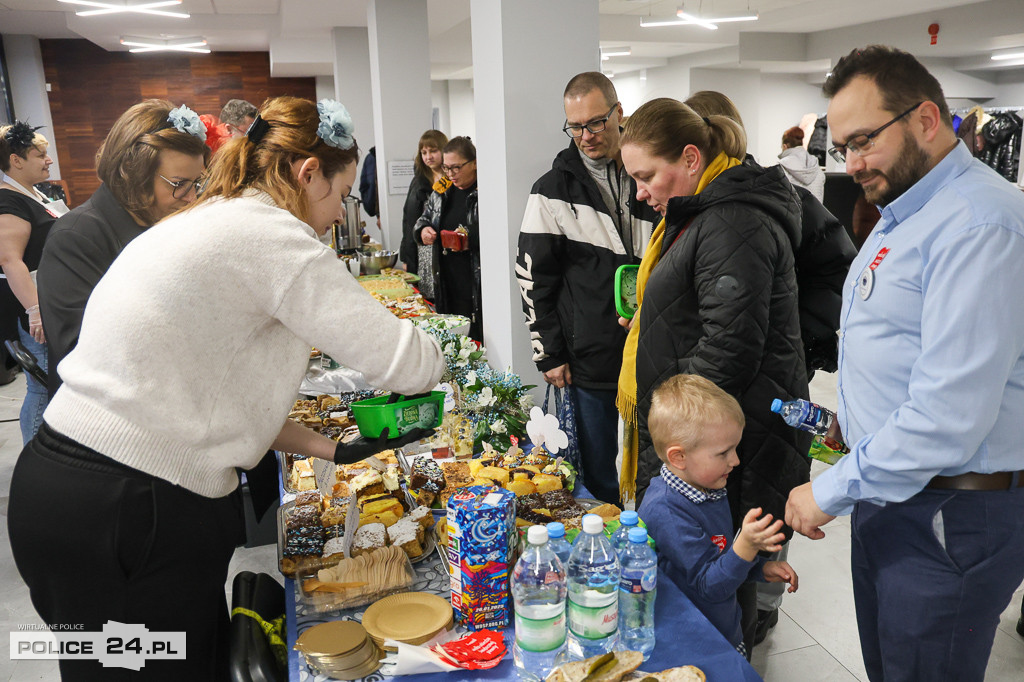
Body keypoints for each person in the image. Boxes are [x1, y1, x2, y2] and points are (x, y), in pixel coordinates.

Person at [8, 96, 445, 681]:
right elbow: (408, 362)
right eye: (342, 194)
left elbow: (210, 397)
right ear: (307, 172)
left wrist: (329, 447)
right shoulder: (271, 234)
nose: (339, 212)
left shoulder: (212, 214)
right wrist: (440, 339)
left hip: (62, 493)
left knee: (110, 668)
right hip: (129, 508)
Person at [784, 45, 1024, 682]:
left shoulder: (979, 225)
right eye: (843, 148)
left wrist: (829, 492)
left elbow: (948, 416)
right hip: (897, 495)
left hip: (950, 513)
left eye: (865, 140)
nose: (854, 164)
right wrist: (854, 428)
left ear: (925, 120)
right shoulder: (908, 211)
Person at [618, 97, 811, 650]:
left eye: (647, 176)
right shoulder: (707, 213)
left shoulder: (729, 219)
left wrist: (673, 431)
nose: (640, 192)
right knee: (718, 563)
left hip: (721, 433)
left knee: (722, 581)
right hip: (712, 430)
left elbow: (729, 345)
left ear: (691, 157)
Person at [684, 90, 856, 644]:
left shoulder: (753, 202)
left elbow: (831, 269)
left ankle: (759, 612)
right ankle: (753, 602)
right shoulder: (724, 201)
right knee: (758, 493)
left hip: (772, 380)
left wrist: (796, 334)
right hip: (765, 376)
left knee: (765, 495)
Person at [516, 72, 658, 506]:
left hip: (654, 350)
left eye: (595, 123)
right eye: (574, 126)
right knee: (600, 475)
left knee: (655, 467)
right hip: (590, 360)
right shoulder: (550, 191)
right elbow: (533, 279)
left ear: (619, 113)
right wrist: (549, 354)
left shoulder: (649, 174)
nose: (585, 136)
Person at [37, 100, 210, 399]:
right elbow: (81, 351)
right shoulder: (75, 237)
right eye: (180, 184)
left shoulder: (160, 222)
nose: (192, 198)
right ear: (133, 174)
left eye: (198, 183)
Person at [638, 374, 798, 660]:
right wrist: (746, 547)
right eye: (724, 453)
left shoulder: (708, 488)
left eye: (735, 449)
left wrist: (759, 568)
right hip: (693, 644)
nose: (735, 461)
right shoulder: (667, 512)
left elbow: (719, 557)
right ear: (679, 458)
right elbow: (709, 586)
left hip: (721, 628)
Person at [0, 122, 65, 443]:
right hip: (34, 308)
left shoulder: (35, 193)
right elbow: (10, 260)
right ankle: (34, 460)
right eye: (40, 155)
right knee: (41, 385)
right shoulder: (8, 201)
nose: (48, 160)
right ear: (16, 160)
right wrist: (35, 310)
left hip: (53, 299)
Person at [415, 136, 482, 340]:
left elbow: (495, 232)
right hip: (445, 279)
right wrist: (423, 230)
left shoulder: (485, 192)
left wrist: (470, 237)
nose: (451, 174)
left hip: (473, 281)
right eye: (446, 168)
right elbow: (423, 218)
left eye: (456, 168)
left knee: (475, 337)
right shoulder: (442, 190)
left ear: (475, 163)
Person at [401, 129, 448, 276]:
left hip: (447, 250)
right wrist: (406, 257)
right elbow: (409, 220)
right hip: (423, 249)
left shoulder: (454, 180)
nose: (428, 157)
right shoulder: (418, 182)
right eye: (424, 152)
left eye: (433, 151)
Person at [777, 125, 825, 201]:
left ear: (785, 146)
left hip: (793, 212)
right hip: (816, 212)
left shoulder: (782, 166)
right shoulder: (816, 167)